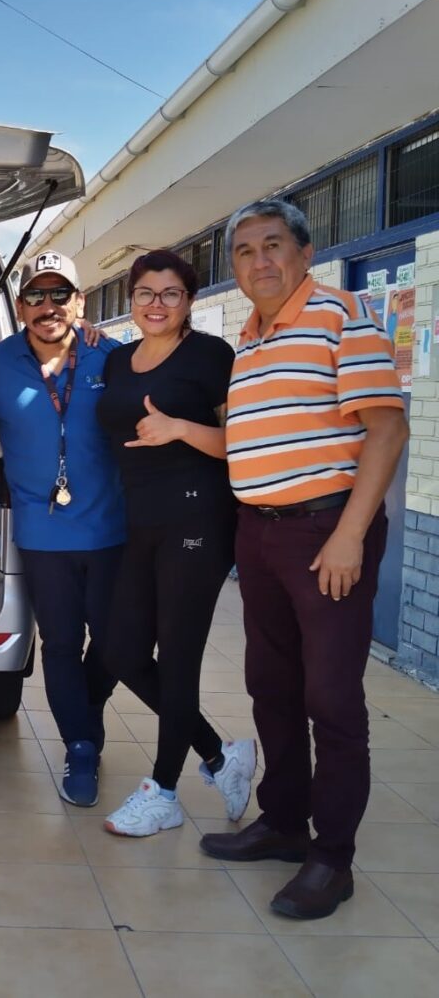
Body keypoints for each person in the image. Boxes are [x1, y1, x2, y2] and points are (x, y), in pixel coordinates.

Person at [200, 199, 407, 920]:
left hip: (325, 534)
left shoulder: (342, 317)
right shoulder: (250, 340)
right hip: (258, 536)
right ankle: (284, 823)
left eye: (274, 245)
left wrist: (349, 535)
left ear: (305, 252)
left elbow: (386, 429)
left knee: (331, 700)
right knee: (271, 685)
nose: (260, 260)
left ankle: (332, 857)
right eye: (246, 250)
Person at [95, 249, 255, 837]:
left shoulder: (212, 356)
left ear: (189, 301)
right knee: (120, 653)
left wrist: (182, 428)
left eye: (170, 294)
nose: (156, 304)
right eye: (145, 293)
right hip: (141, 522)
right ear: (130, 300)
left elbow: (243, 442)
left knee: (179, 657)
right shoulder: (116, 360)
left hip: (199, 518)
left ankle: (163, 792)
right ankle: (219, 755)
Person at [0, 250, 125, 807]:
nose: (47, 306)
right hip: (41, 536)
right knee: (61, 644)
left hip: (111, 529)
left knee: (117, 643)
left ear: (80, 302)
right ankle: (81, 746)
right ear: (19, 307)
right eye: (35, 295)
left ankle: (83, 713)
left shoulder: (112, 358)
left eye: (60, 294)